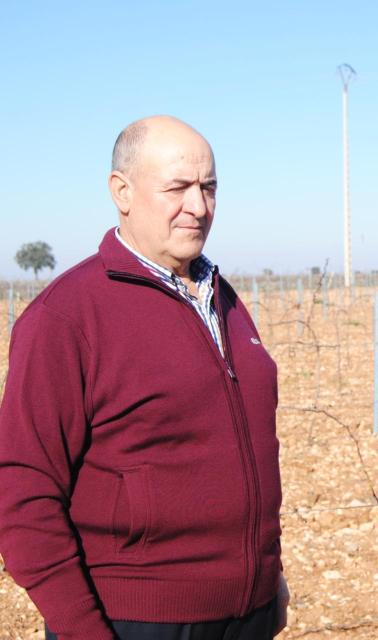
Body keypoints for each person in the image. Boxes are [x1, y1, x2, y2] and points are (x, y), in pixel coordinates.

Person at [0, 115, 288, 639]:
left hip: (250, 613)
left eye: (209, 187)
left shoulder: (222, 298)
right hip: (137, 621)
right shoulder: (66, 317)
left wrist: (271, 580)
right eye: (177, 187)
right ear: (122, 191)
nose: (198, 207)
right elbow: (22, 493)